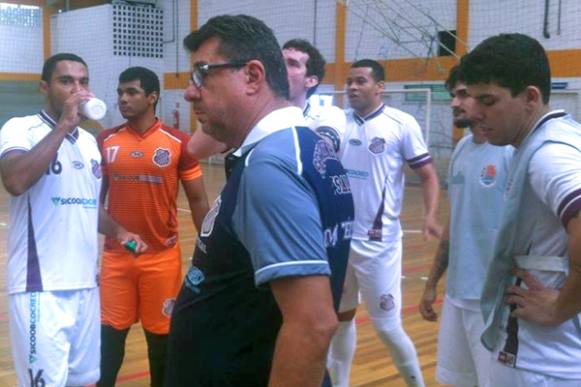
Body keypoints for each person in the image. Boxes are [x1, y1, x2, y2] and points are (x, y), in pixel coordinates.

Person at [165, 14, 354, 386]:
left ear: (252, 76)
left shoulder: (271, 166)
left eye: (202, 74)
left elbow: (312, 325)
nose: (190, 92)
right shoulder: (301, 148)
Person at [0, 53, 146, 387]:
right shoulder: (21, 128)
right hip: (40, 288)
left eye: (83, 82)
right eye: (66, 81)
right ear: (44, 87)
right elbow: (15, 181)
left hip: (85, 285)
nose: (77, 90)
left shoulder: (88, 144)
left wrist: (120, 231)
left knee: (84, 380)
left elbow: (86, 205)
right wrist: (65, 124)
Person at [460, 33, 581, 386]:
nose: (474, 111)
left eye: (488, 100)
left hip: (541, 362)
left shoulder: (548, 154)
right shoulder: (561, 135)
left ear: (530, 97)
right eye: (472, 97)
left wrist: (563, 306)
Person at [327, 59, 442, 387]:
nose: (352, 87)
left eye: (360, 81)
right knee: (341, 319)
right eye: (349, 81)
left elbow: (429, 175)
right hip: (340, 240)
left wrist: (431, 215)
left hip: (378, 243)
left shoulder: (400, 123)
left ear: (380, 87)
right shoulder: (338, 123)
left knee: (388, 326)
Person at [96, 67, 209, 386]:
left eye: (131, 92)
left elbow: (199, 201)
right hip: (117, 259)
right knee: (109, 341)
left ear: (152, 97)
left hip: (161, 259)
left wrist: (209, 250)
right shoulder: (105, 140)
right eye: (120, 92)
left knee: (160, 342)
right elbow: (92, 205)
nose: (122, 99)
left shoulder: (179, 143)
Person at [418, 65, 513, 386]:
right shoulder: (461, 149)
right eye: (453, 95)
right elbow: (455, 223)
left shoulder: (511, 152)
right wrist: (433, 283)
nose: (454, 103)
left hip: (494, 300)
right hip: (457, 295)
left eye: (462, 94)